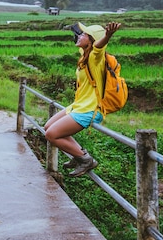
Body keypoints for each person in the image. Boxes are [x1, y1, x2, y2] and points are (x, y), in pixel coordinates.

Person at [44, 21, 121, 177]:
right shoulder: (84, 54)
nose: (80, 35)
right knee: (48, 126)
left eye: (85, 34)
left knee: (51, 134)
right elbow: (82, 40)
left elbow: (99, 46)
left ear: (92, 40)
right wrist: (78, 33)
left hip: (90, 109)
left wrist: (107, 35)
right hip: (78, 105)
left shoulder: (95, 57)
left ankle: (85, 160)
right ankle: (78, 154)